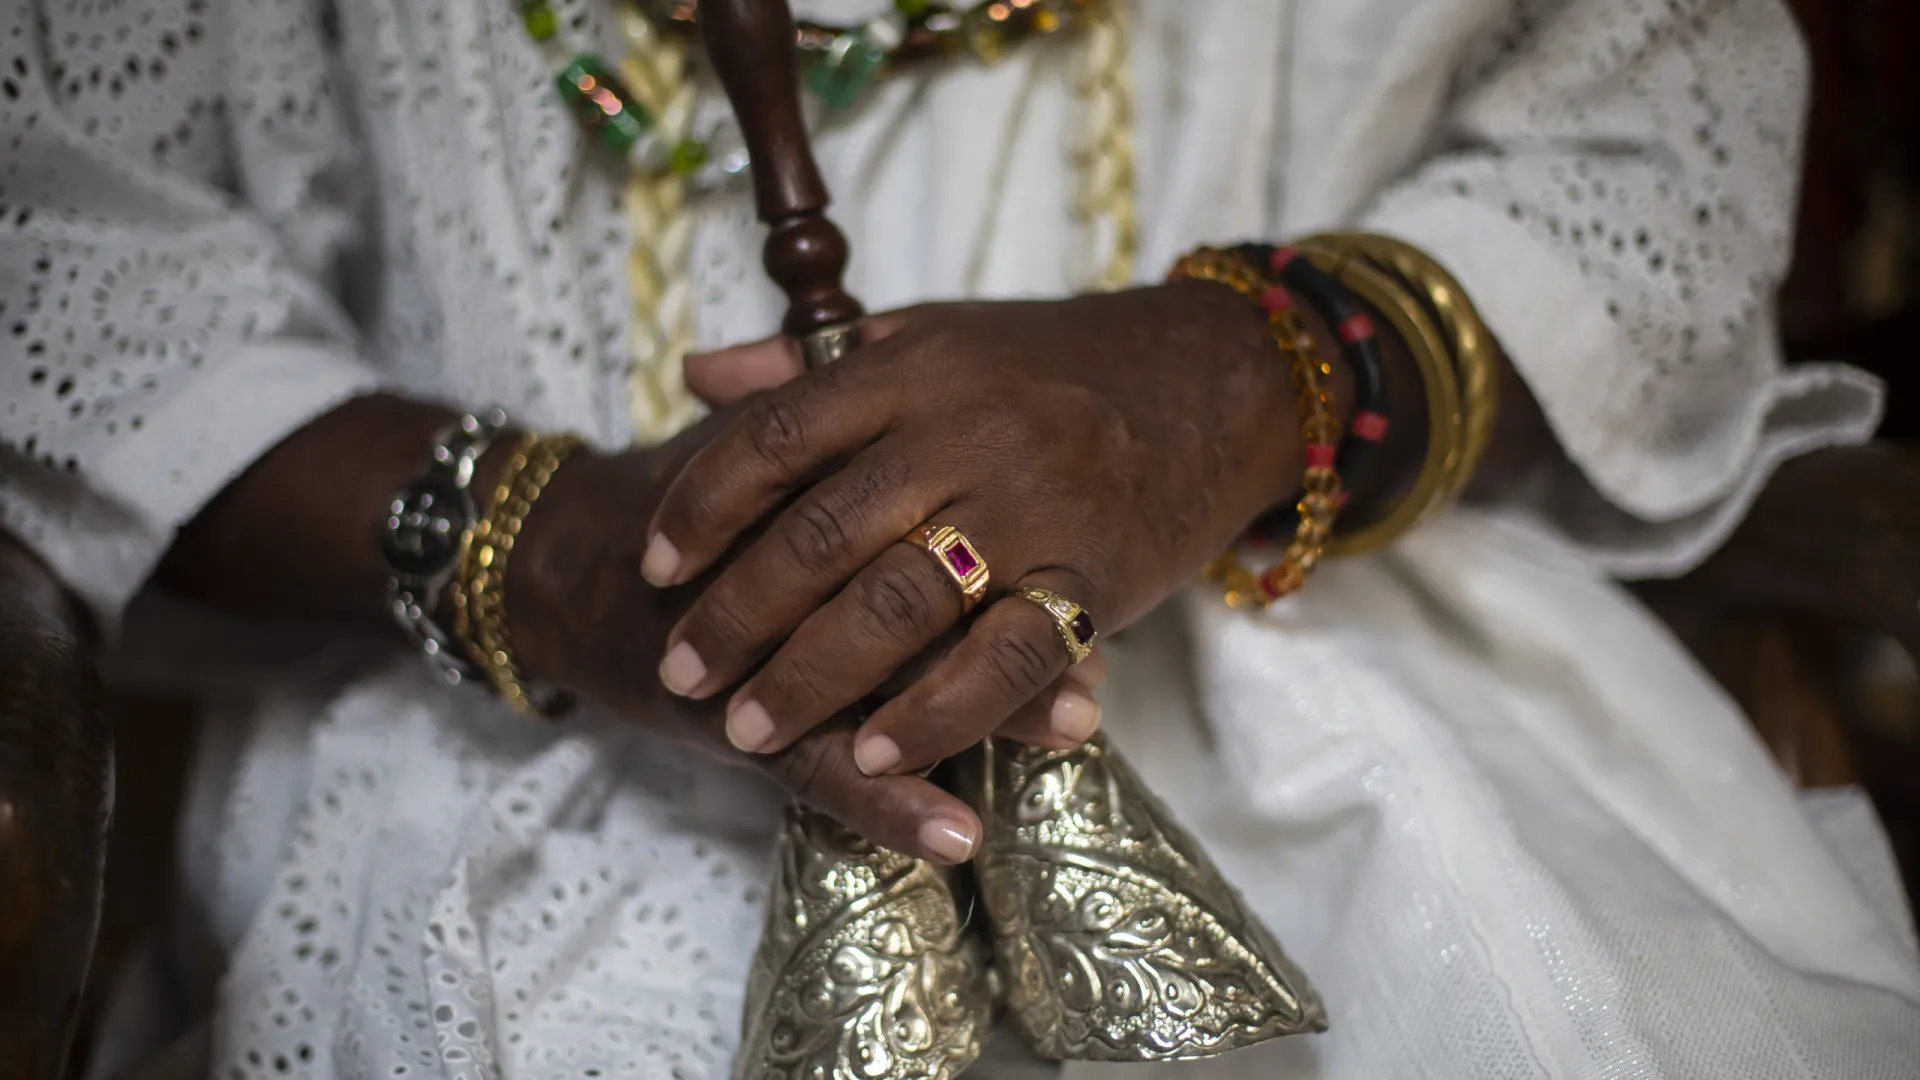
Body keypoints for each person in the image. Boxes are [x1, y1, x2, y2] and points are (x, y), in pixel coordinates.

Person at [1, 0, 1914, 1076]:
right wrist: (544, 544)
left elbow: (1648, 152)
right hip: (484, 756)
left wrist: (1240, 379)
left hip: (1350, 676)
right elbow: (65, 263)